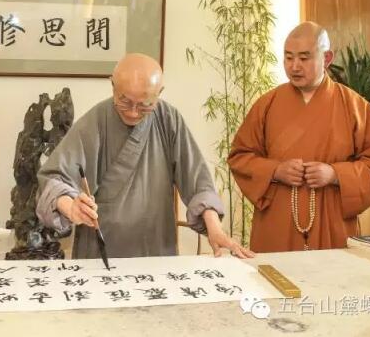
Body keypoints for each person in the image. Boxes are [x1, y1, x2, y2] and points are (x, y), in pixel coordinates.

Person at [36, 53, 253, 259]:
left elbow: (198, 181)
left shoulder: (169, 119)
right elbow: (53, 180)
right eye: (124, 101)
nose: (133, 112)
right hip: (101, 250)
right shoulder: (96, 121)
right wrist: (71, 207)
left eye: (145, 105)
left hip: (155, 246)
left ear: (160, 92)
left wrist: (215, 229)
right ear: (113, 86)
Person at [228, 22, 370, 252]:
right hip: (278, 220)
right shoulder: (267, 104)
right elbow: (239, 157)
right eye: (288, 57)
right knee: (276, 274)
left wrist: (335, 174)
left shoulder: (354, 106)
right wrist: (275, 171)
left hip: (332, 218)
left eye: (304, 58)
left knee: (332, 275)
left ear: (327, 58)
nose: (294, 66)